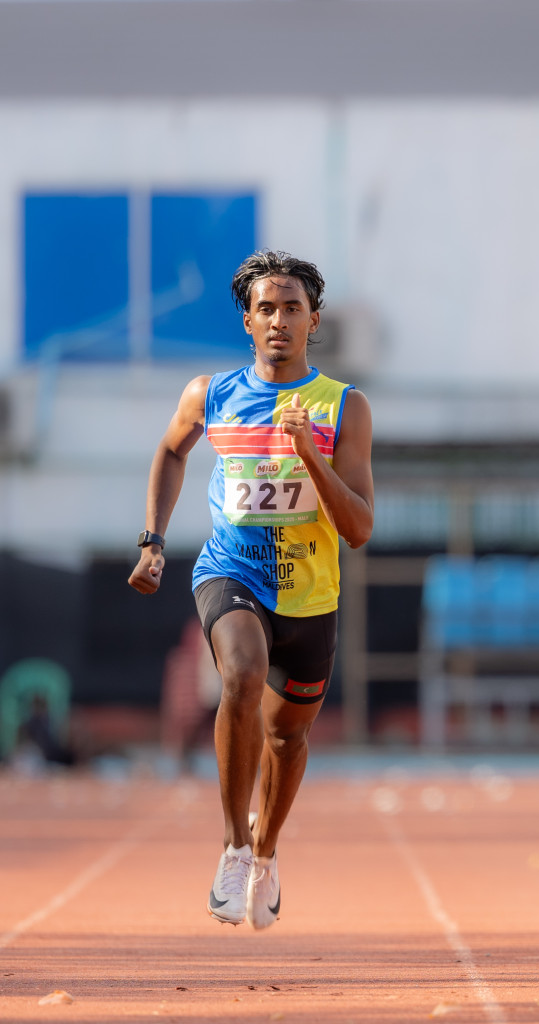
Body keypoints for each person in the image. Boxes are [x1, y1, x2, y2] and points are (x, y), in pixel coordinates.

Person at [128, 250, 374, 929]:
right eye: (266, 307)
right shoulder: (210, 393)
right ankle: (234, 845)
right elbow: (172, 450)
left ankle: (266, 854)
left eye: (291, 307)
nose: (278, 319)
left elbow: (358, 527)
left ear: (313, 320)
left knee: (287, 740)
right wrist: (153, 540)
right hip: (230, 572)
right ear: (248, 320)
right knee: (240, 673)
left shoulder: (344, 408)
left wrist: (310, 458)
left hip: (311, 597)